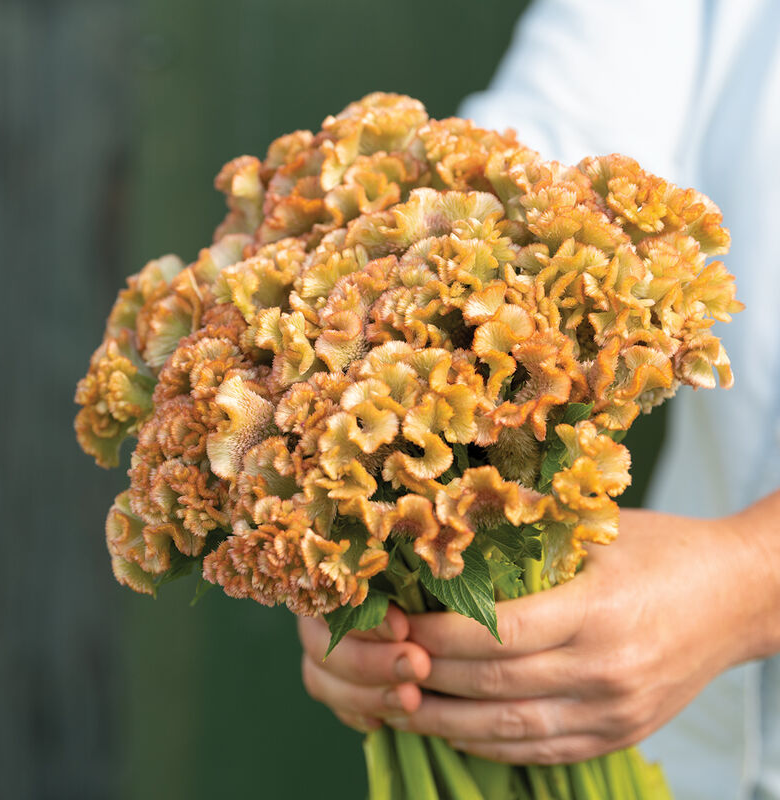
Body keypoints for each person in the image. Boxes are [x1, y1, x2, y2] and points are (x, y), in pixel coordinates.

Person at [298, 1, 780, 797]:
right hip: (667, 720)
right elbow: (543, 147)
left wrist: (751, 582)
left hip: (662, 656)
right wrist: (343, 533)